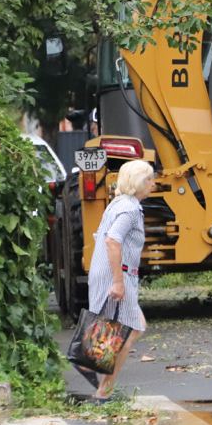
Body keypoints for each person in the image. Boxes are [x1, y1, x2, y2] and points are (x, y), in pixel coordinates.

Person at [72, 158, 154, 401]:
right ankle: (102, 389)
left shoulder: (118, 203)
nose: (153, 183)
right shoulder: (129, 210)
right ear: (138, 182)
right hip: (117, 274)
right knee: (130, 330)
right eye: (149, 179)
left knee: (129, 328)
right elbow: (112, 240)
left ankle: (90, 364)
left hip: (110, 272)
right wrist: (118, 282)